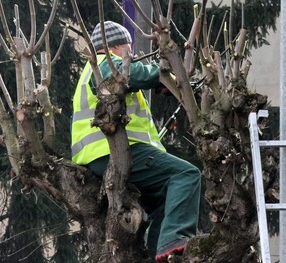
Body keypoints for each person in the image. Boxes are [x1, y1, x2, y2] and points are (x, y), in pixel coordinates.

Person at [71, 21, 201, 262]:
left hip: (99, 156)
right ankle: (175, 240)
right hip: (115, 152)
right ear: (118, 47)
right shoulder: (104, 64)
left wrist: (161, 83)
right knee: (186, 175)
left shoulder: (90, 71)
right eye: (128, 49)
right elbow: (124, 74)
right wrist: (163, 75)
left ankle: (161, 255)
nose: (132, 55)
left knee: (164, 200)